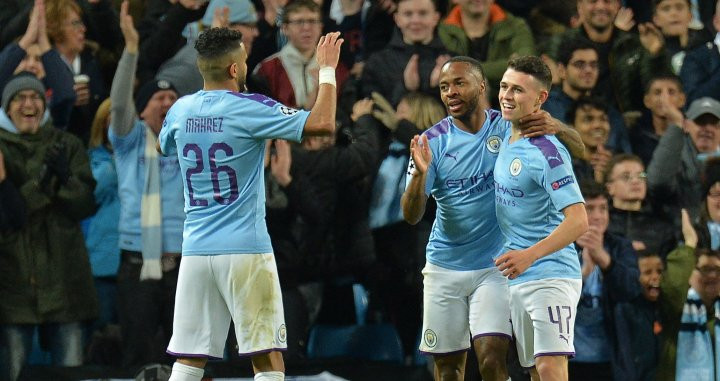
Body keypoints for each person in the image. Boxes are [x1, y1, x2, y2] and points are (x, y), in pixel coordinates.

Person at [157, 26, 342, 381]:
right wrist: (327, 71)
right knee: (267, 356)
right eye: (243, 60)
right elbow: (323, 124)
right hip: (245, 251)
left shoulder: (180, 110)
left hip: (195, 251)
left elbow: (162, 146)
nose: (245, 66)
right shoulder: (249, 108)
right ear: (233, 69)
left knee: (190, 359)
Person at [402, 55, 584, 381]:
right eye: (444, 87)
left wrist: (556, 125)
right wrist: (419, 178)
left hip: (497, 266)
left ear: (481, 86)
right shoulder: (431, 142)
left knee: (491, 359)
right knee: (447, 370)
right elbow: (411, 216)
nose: (451, 93)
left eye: (459, 83)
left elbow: (569, 148)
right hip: (445, 264)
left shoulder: (507, 123)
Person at [493, 55, 588, 381]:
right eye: (504, 86)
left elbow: (579, 221)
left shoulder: (547, 151)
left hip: (550, 273)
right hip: (517, 274)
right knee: (534, 369)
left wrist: (528, 255)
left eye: (518, 90)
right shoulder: (503, 131)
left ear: (540, 99)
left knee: (550, 368)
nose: (506, 95)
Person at [0, 72, 98, 381]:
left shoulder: (66, 144)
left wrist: (66, 178)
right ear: (6, 107)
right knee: (13, 372)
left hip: (65, 277)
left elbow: (84, 204)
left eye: (36, 98)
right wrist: (44, 182)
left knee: (71, 373)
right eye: (20, 98)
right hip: (14, 281)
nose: (28, 105)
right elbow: (13, 213)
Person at [111, 2, 184, 367]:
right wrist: (131, 52)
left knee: (185, 358)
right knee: (137, 355)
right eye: (159, 98)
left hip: (183, 263)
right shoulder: (129, 141)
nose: (168, 103)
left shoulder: (188, 144)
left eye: (173, 99)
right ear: (142, 110)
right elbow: (119, 102)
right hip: (137, 262)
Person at [570, 180, 641, 381]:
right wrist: (583, 274)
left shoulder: (620, 247)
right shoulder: (560, 248)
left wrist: (605, 261)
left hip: (611, 362)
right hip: (567, 361)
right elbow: (549, 301)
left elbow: (631, 291)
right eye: (590, 209)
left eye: (603, 208)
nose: (598, 216)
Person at [647, 96, 720, 221]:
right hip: (682, 231)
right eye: (701, 122)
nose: (707, 129)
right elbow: (658, 183)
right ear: (686, 125)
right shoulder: (673, 155)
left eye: (714, 123)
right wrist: (676, 126)